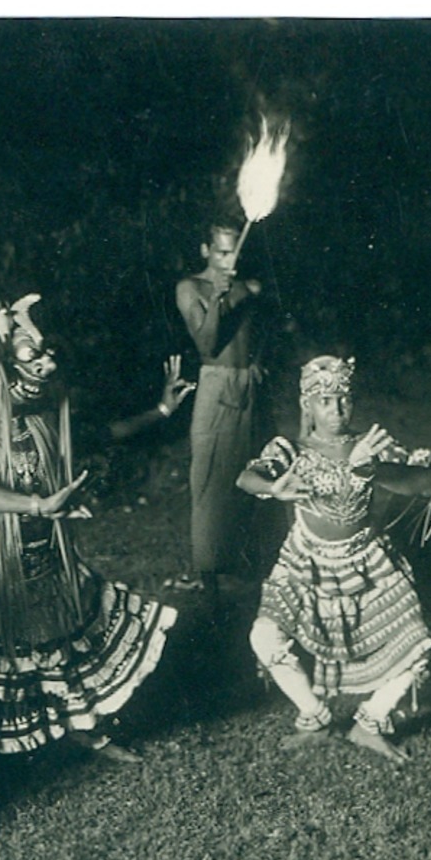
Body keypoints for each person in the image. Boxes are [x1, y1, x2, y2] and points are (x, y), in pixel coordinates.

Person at [0, 295, 192, 777]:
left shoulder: (48, 416)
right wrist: (33, 505)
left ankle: (84, 729)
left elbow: (100, 434)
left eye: (47, 355)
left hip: (48, 570)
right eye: (31, 356)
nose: (46, 365)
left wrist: (162, 410)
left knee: (67, 657)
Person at [237, 356, 431, 762]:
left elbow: (418, 479)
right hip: (304, 562)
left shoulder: (369, 446)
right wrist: (273, 487)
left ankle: (369, 723)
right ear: (308, 405)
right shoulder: (290, 449)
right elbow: (246, 477)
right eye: (325, 401)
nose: (336, 410)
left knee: (419, 645)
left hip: (366, 562)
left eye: (344, 399)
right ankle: (313, 715)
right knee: (264, 637)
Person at [175, 221, 266, 598]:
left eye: (235, 253)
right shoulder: (190, 288)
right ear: (205, 251)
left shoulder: (252, 287)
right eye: (222, 252)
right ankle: (208, 575)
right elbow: (208, 344)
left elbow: (258, 334)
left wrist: (258, 364)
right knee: (211, 476)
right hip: (216, 384)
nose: (231, 261)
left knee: (251, 469)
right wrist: (218, 298)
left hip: (250, 384)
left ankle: (248, 565)